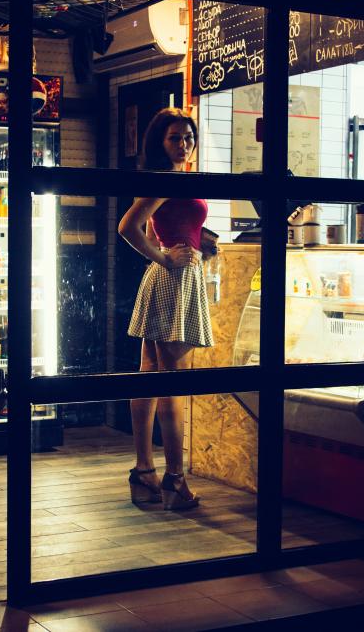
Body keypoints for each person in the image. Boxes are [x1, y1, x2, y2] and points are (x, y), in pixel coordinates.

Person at [118, 107, 214, 511]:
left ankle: (145, 471)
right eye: (175, 137)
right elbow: (128, 227)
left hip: (177, 277)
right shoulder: (165, 178)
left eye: (188, 137)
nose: (184, 144)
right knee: (169, 381)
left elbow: (179, 225)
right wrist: (163, 257)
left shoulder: (178, 178)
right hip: (172, 279)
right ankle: (174, 478)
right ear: (160, 142)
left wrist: (201, 241)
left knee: (150, 374)